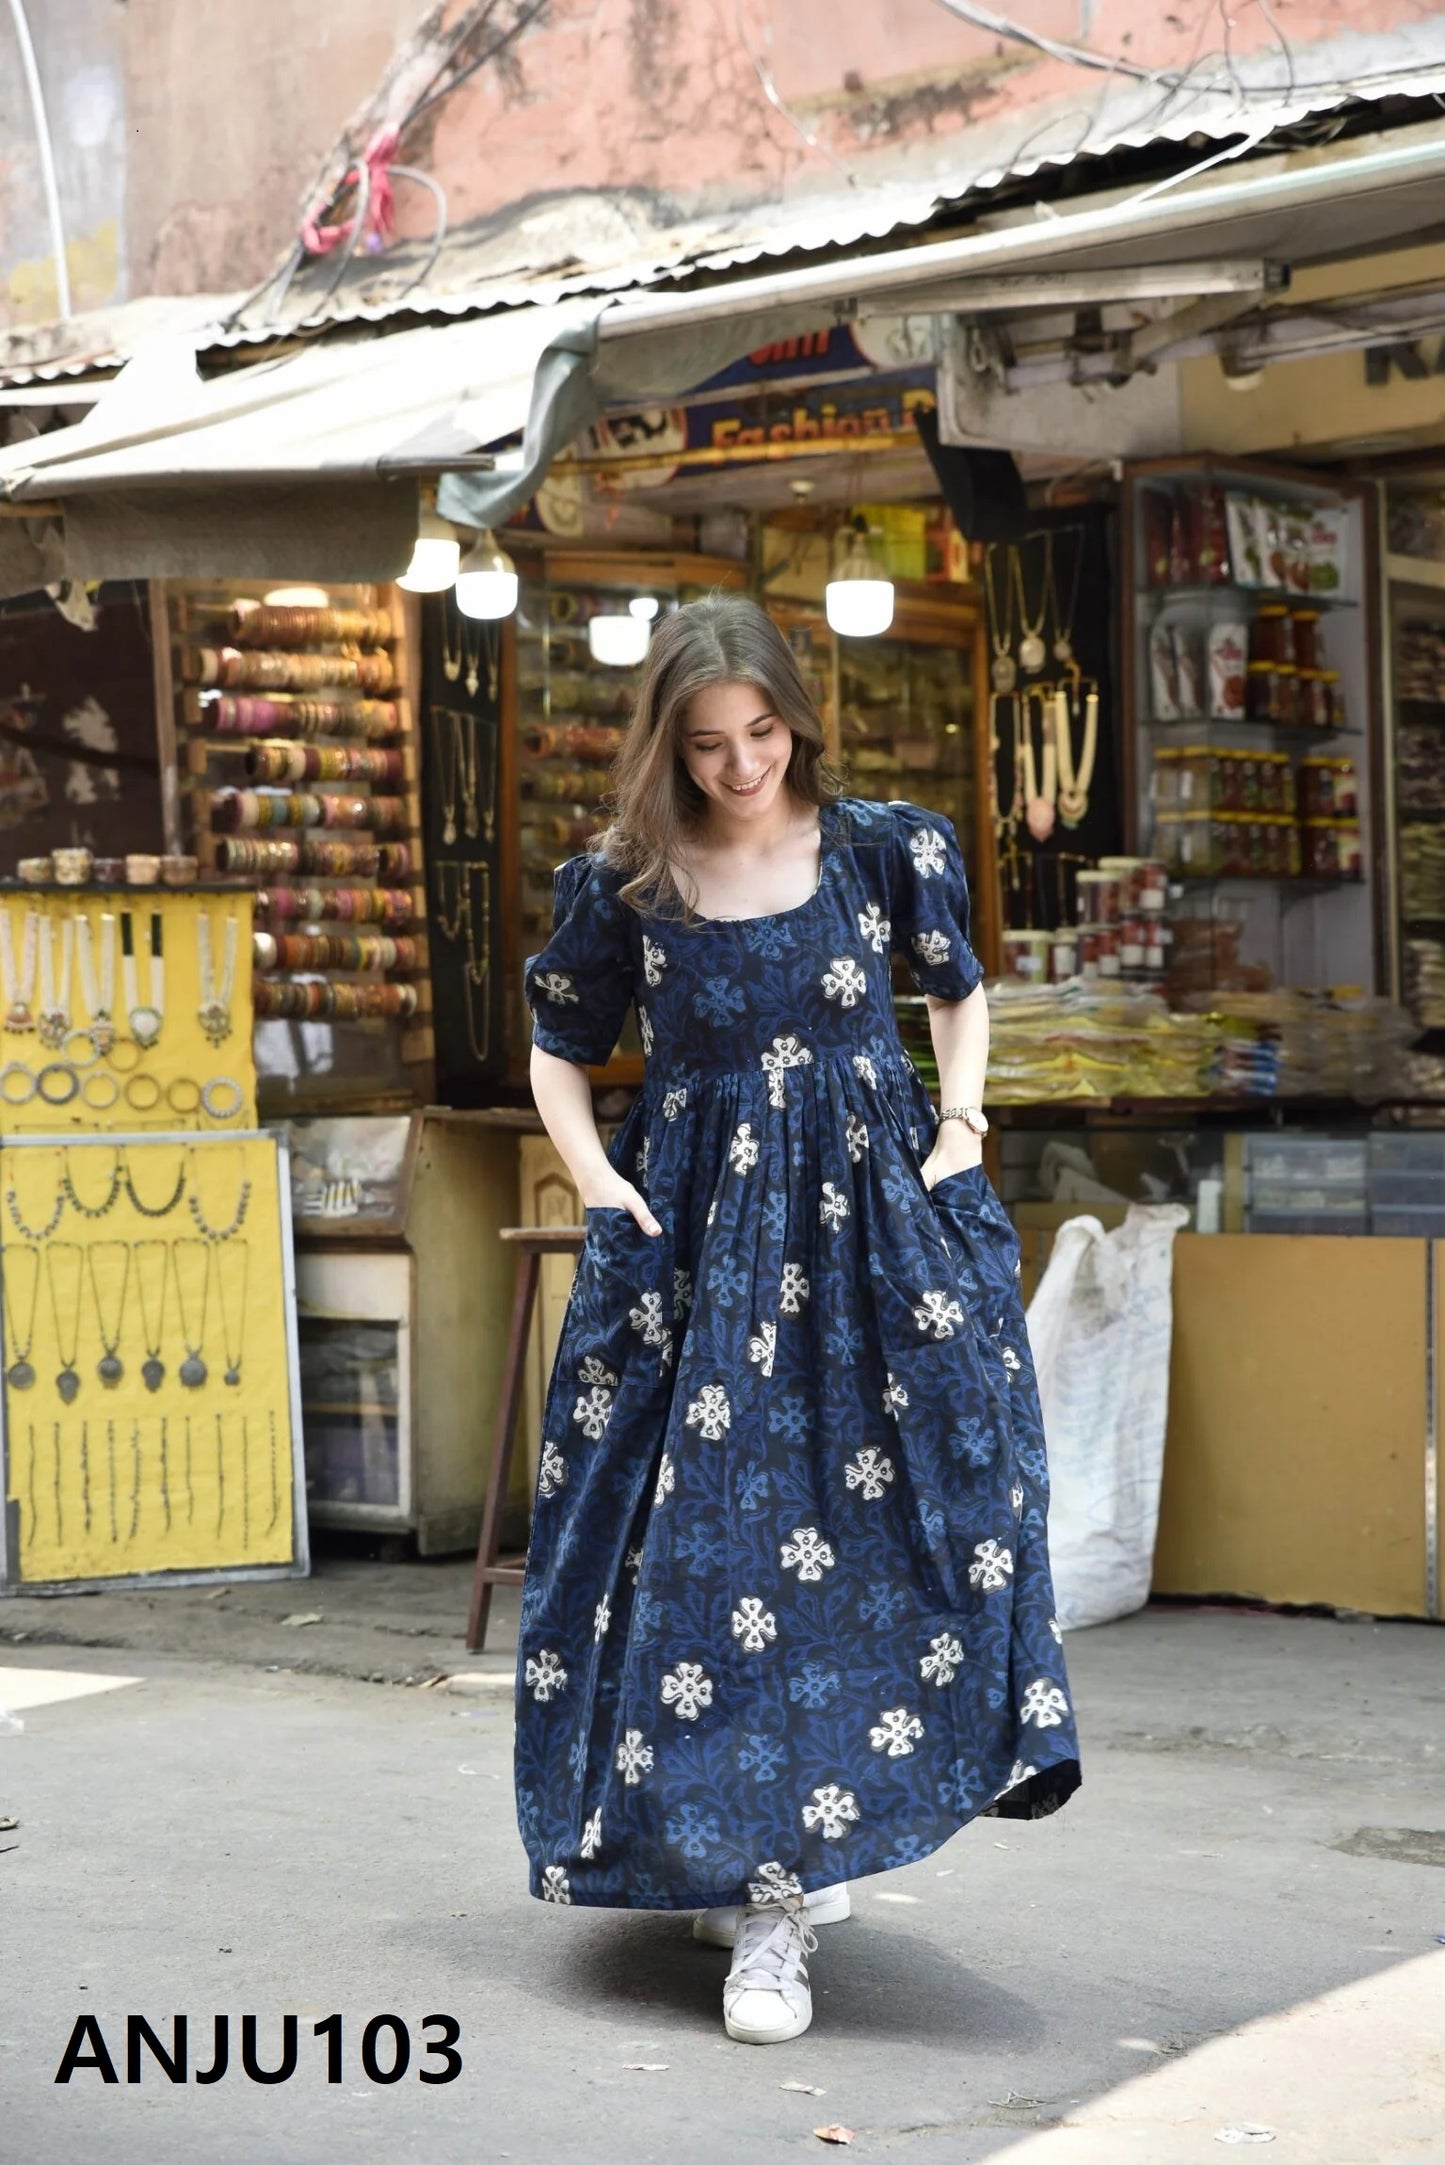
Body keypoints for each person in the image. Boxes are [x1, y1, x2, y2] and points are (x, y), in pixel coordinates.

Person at [517, 593, 1080, 2046]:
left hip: (873, 1236)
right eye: (707, 744)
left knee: (940, 1498)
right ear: (668, 743)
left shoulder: (888, 847)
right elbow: (559, 1046)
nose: (740, 766)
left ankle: (792, 1840)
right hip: (698, 1251)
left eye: (760, 733)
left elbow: (958, 992)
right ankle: (759, 1878)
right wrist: (598, 1187)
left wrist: (959, 1122)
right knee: (707, 1543)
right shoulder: (623, 882)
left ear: (795, 721)